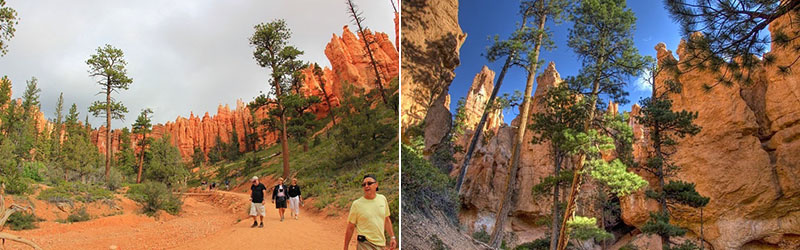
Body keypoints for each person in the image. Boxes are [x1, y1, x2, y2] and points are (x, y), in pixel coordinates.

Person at [343, 174, 396, 250]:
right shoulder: (357, 204)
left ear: (376, 185)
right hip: (364, 243)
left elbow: (386, 219)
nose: (366, 186)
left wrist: (392, 237)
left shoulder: (382, 199)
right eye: (364, 184)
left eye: (369, 183)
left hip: (381, 244)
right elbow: (350, 227)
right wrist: (345, 247)